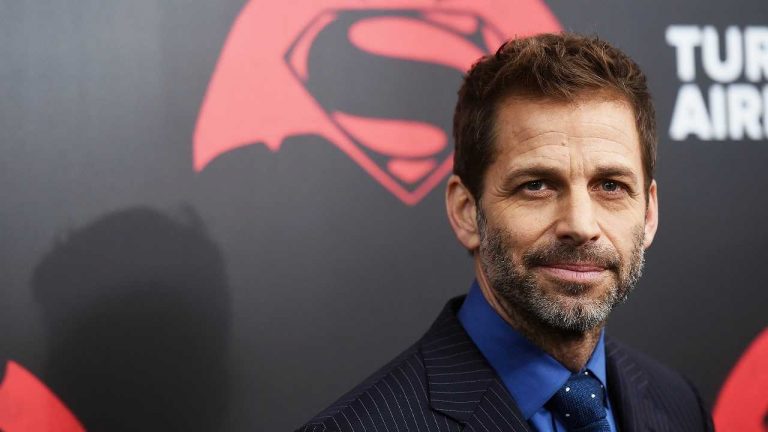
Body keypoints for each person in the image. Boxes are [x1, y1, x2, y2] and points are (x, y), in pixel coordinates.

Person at [297, 32, 714, 432]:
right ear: (466, 212)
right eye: (536, 185)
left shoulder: (679, 404)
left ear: (648, 213)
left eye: (610, 186)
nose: (581, 225)